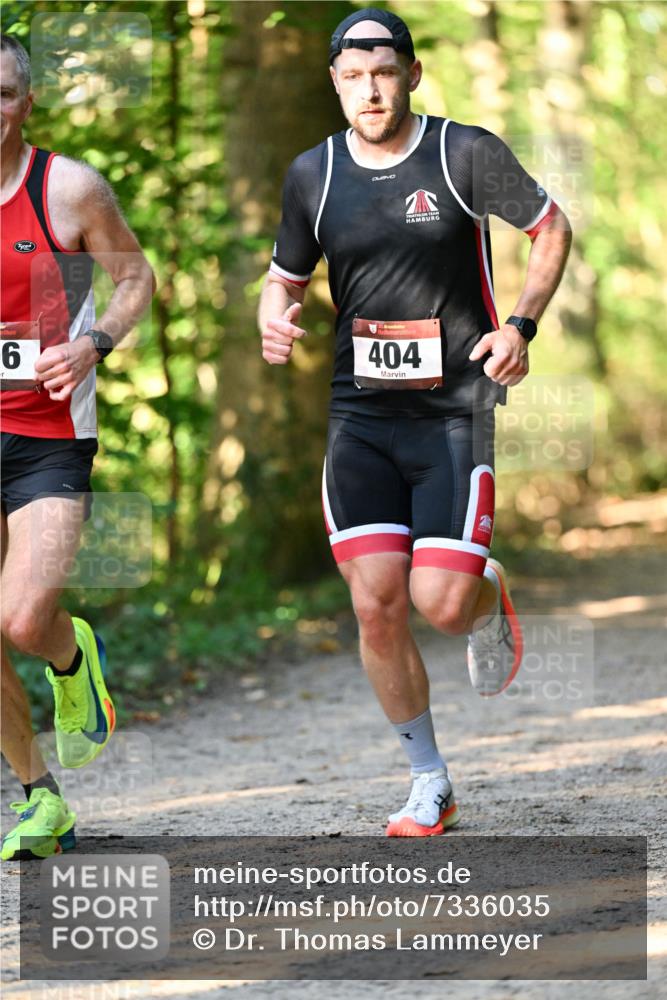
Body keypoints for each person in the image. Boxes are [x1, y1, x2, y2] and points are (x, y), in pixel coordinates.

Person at [259, 8, 571, 838]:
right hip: (359, 417)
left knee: (438, 604)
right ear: (333, 82)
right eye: (353, 75)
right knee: (375, 605)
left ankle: (480, 587)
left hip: (450, 415)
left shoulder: (462, 152)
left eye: (384, 72)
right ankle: (427, 780)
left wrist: (521, 326)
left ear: (411, 74)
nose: (369, 89)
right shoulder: (312, 173)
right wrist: (272, 316)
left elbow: (549, 229)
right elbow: (283, 277)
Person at [0, 34, 155, 860]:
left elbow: (136, 279)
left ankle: (71, 652)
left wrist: (92, 343)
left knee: (23, 617)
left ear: (26, 103)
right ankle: (39, 797)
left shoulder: (68, 188)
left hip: (48, 435)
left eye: (0, 93)